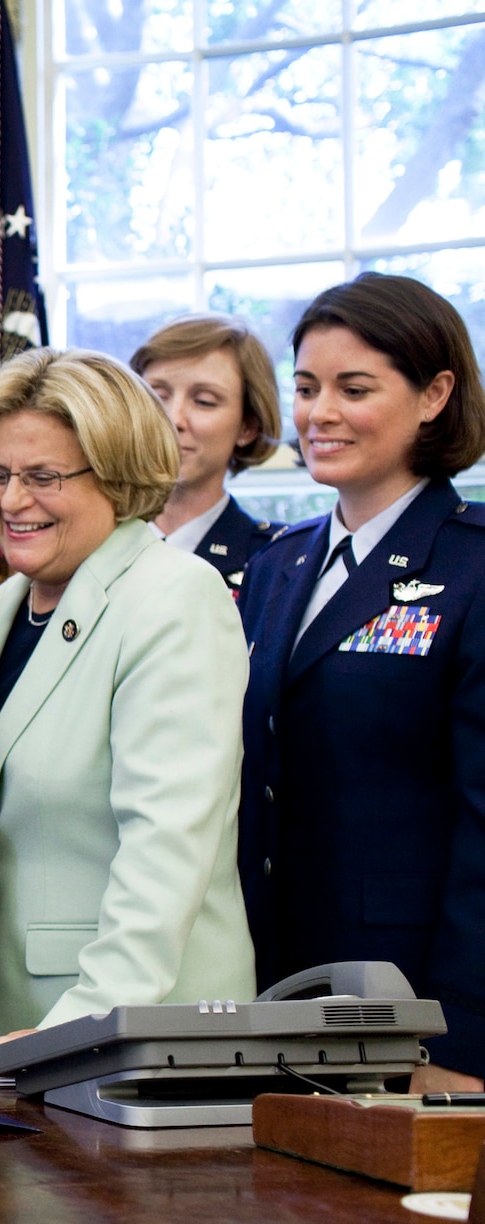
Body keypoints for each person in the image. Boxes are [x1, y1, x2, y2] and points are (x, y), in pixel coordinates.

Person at [0, 348, 256, 1072]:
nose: (10, 500)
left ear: (117, 473)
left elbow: (165, 849)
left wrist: (68, 1035)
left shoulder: (174, 596)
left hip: (128, 1034)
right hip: (3, 1023)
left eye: (43, 476)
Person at [238, 273, 485, 1088]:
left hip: (411, 1005)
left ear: (434, 394)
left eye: (354, 388)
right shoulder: (277, 564)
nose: (318, 413)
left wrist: (460, 1039)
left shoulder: (474, 565)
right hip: (272, 987)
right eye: (306, 387)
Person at [131, 313, 287, 593]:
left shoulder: (276, 561)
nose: (174, 418)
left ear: (247, 427)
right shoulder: (88, 546)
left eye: (204, 401)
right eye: (157, 395)